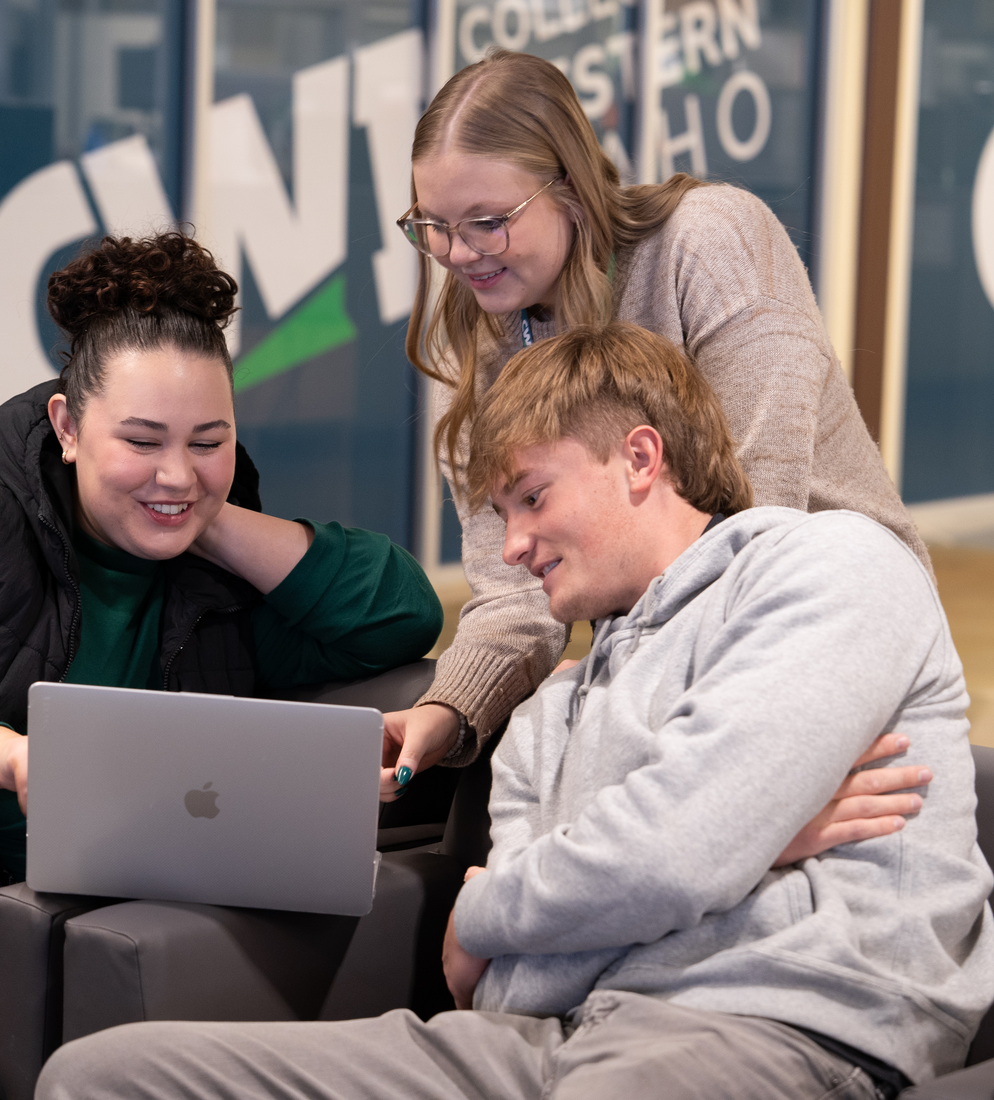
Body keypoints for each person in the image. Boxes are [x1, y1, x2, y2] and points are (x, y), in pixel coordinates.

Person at [34, 322, 993, 1100]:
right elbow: (493, 979)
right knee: (101, 1076)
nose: (517, 546)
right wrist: (728, 855)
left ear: (641, 459)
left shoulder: (825, 567)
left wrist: (498, 904)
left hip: (776, 1032)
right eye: (501, 516)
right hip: (543, 1047)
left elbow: (658, 864)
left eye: (533, 497)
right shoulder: (553, 707)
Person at [0, 232, 443, 1042]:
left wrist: (207, 523)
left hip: (71, 942)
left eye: (209, 442)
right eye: (143, 442)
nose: (177, 471)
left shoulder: (214, 575)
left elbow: (401, 616)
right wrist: (13, 758)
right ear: (68, 426)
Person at [378, 49, 934, 800]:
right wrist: (451, 707)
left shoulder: (710, 241)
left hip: (827, 619)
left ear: (569, 188)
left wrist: (625, 672)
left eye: (486, 222)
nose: (456, 254)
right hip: (664, 654)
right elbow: (517, 587)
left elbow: (755, 522)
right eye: (432, 225)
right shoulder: (473, 333)